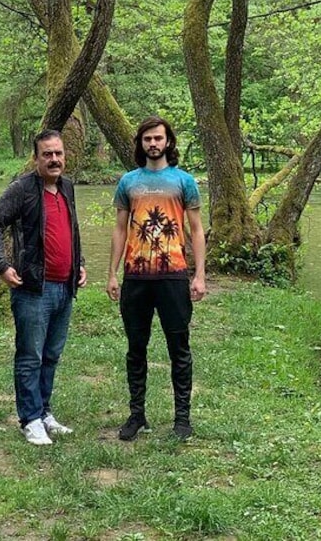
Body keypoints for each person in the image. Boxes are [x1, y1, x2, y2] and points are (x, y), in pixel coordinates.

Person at [0, 129, 87, 446]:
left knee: (51, 354)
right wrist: (2, 265)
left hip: (64, 287)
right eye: (47, 154)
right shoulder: (22, 189)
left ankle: (44, 413)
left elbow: (70, 228)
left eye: (58, 153)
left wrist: (79, 262)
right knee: (30, 355)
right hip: (33, 288)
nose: (54, 159)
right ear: (36, 158)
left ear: (64, 155)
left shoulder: (67, 187)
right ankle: (30, 419)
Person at [107, 116, 206, 441]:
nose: (153, 143)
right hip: (135, 278)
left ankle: (182, 419)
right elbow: (120, 229)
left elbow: (195, 230)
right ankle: (137, 416)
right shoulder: (128, 182)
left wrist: (200, 274)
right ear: (141, 143)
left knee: (179, 347)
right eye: (147, 138)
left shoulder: (183, 181)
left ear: (168, 142)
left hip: (174, 277)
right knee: (136, 349)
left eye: (158, 138)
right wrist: (112, 272)